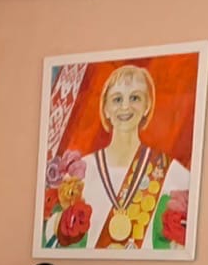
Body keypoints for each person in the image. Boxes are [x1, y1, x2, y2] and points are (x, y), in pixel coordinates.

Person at [43, 65, 190, 253]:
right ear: (105, 108)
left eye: (135, 98)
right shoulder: (80, 172)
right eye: (117, 99)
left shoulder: (171, 172)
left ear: (147, 106)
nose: (125, 106)